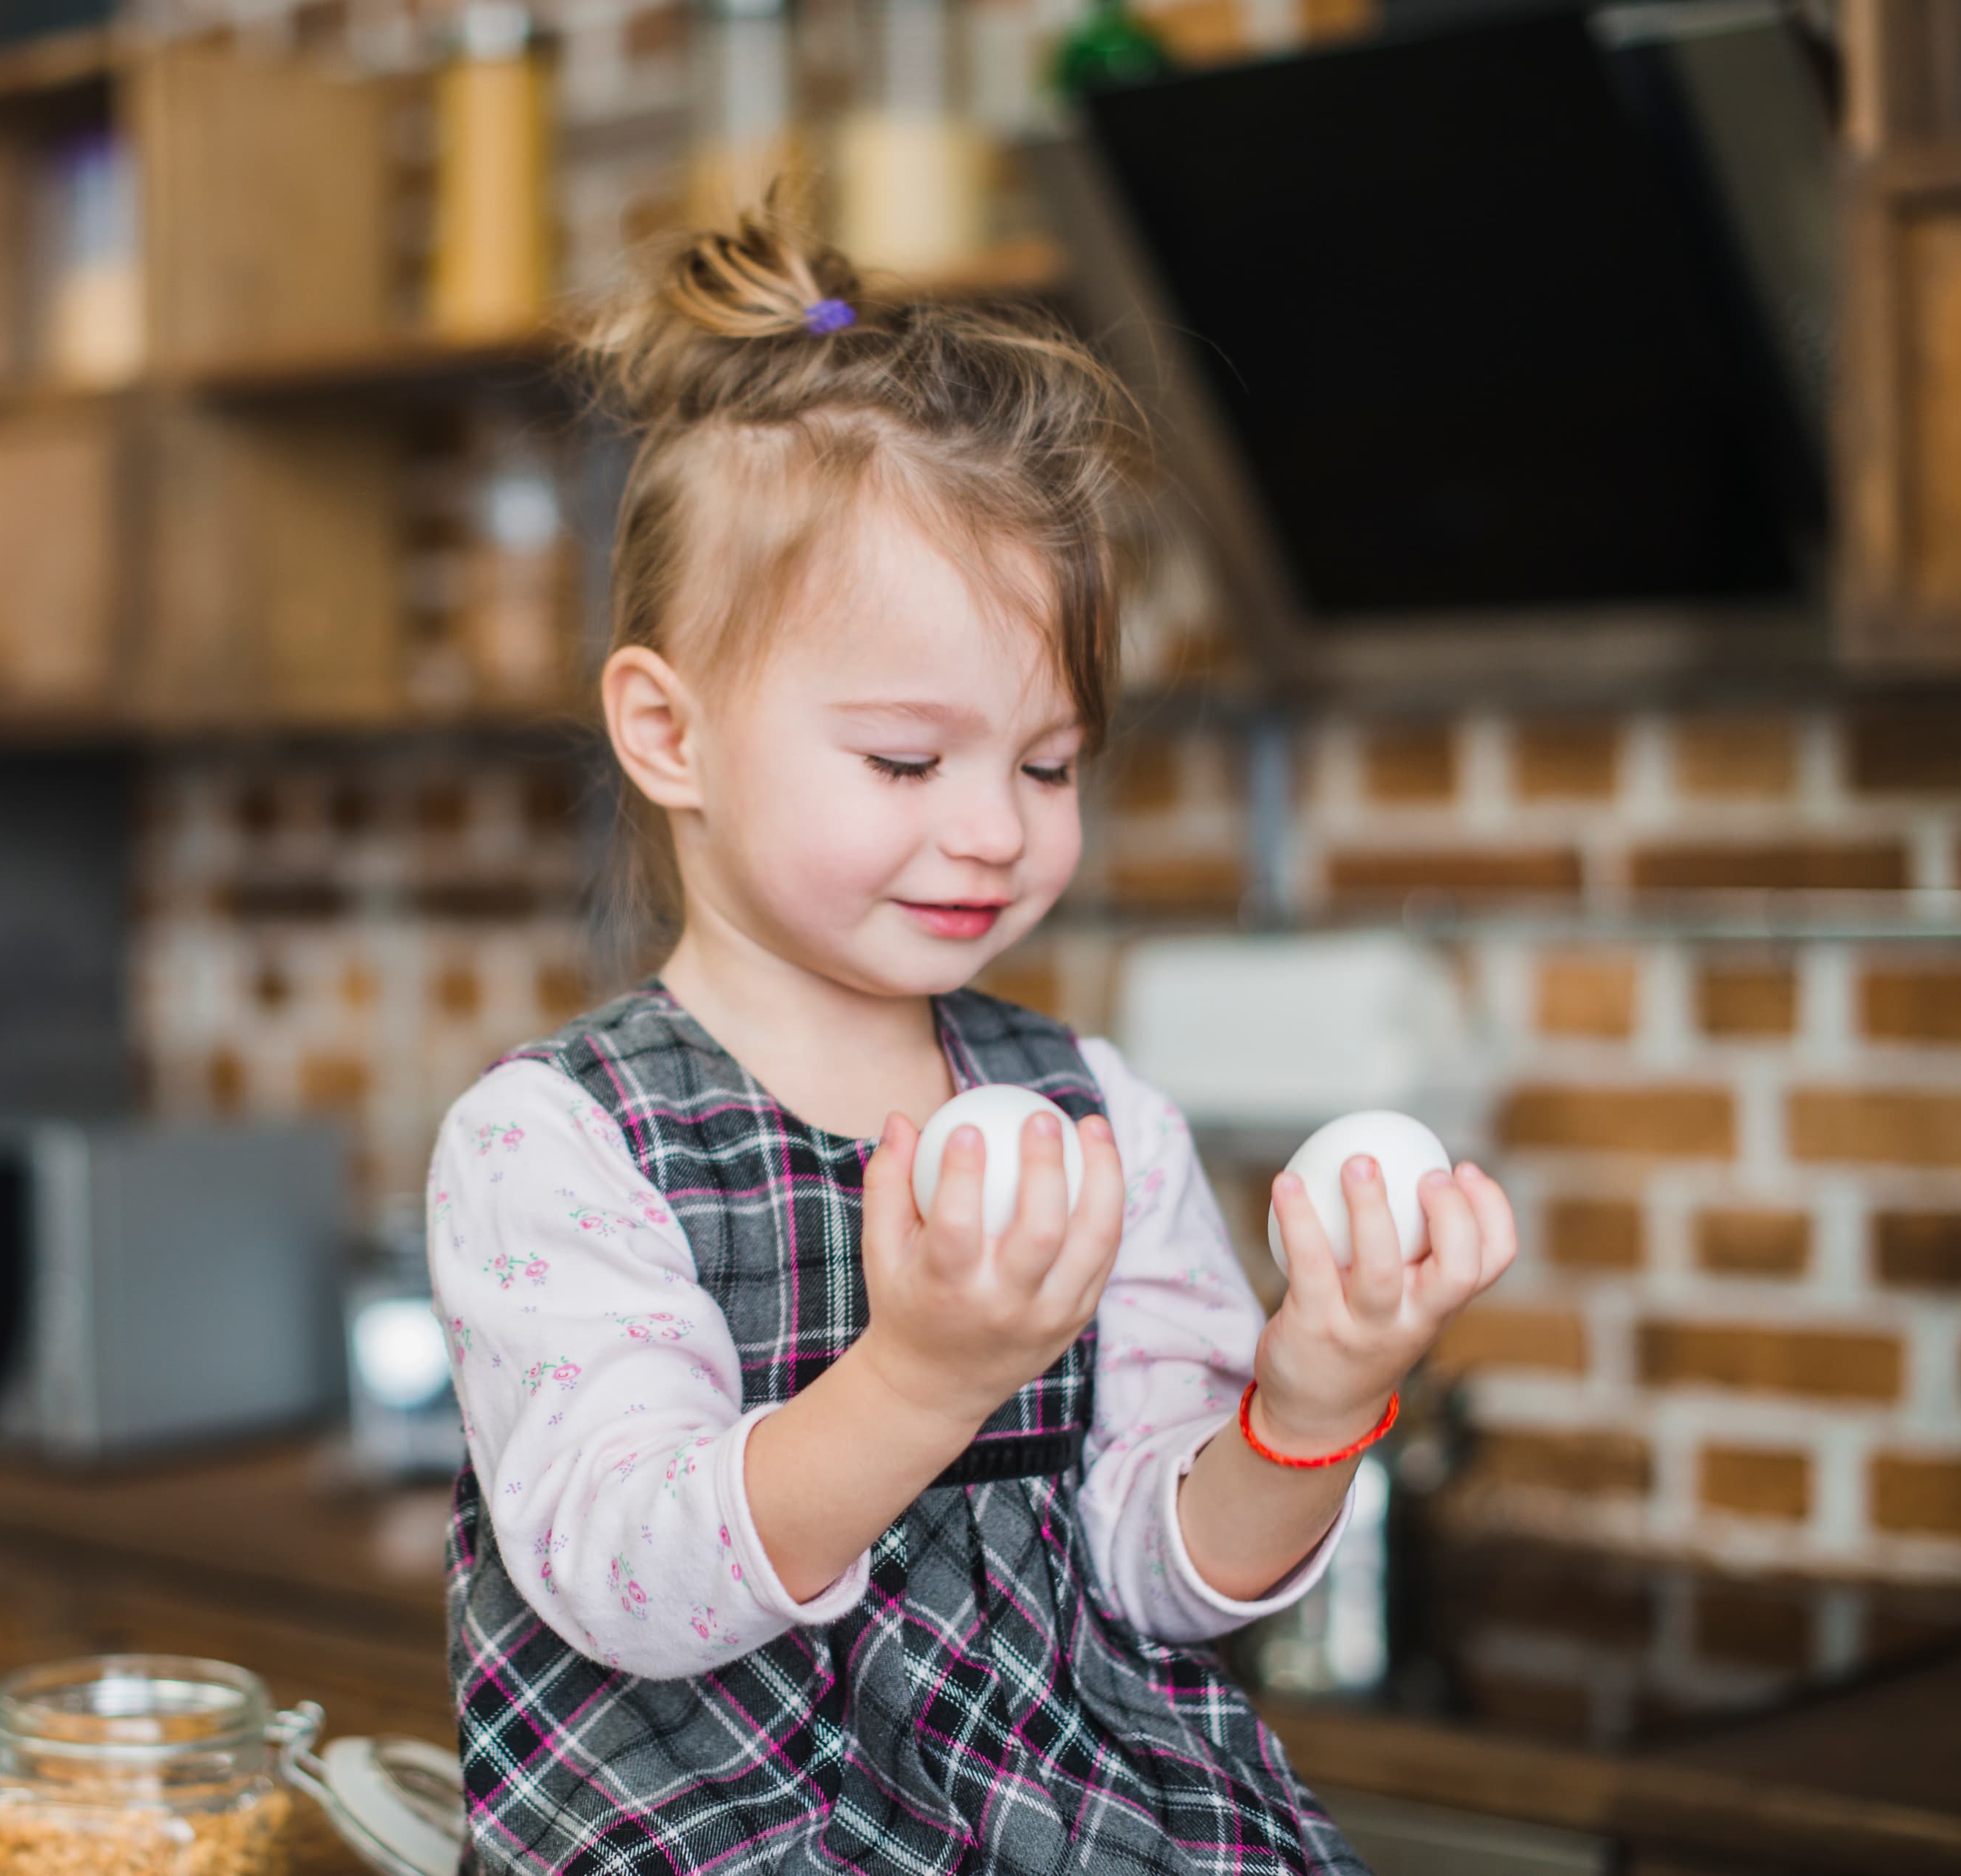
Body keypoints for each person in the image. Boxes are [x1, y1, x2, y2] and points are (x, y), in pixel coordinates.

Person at [424, 194, 1519, 1876]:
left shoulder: (1102, 1116)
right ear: (668, 731)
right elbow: (629, 1572)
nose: (997, 831)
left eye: (1049, 762)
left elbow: (1173, 1573)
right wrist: (927, 1372)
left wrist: (1315, 1399)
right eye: (907, 762)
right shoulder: (554, 1142)